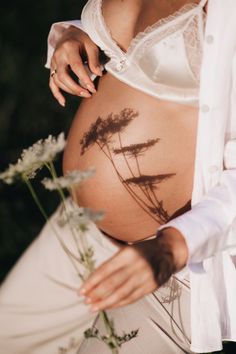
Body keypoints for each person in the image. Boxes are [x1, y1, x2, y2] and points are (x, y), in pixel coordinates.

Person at [1, 0, 236, 353]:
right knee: (9, 336)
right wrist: (73, 37)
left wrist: (173, 246)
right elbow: (127, 41)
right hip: (82, 228)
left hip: (170, 267)